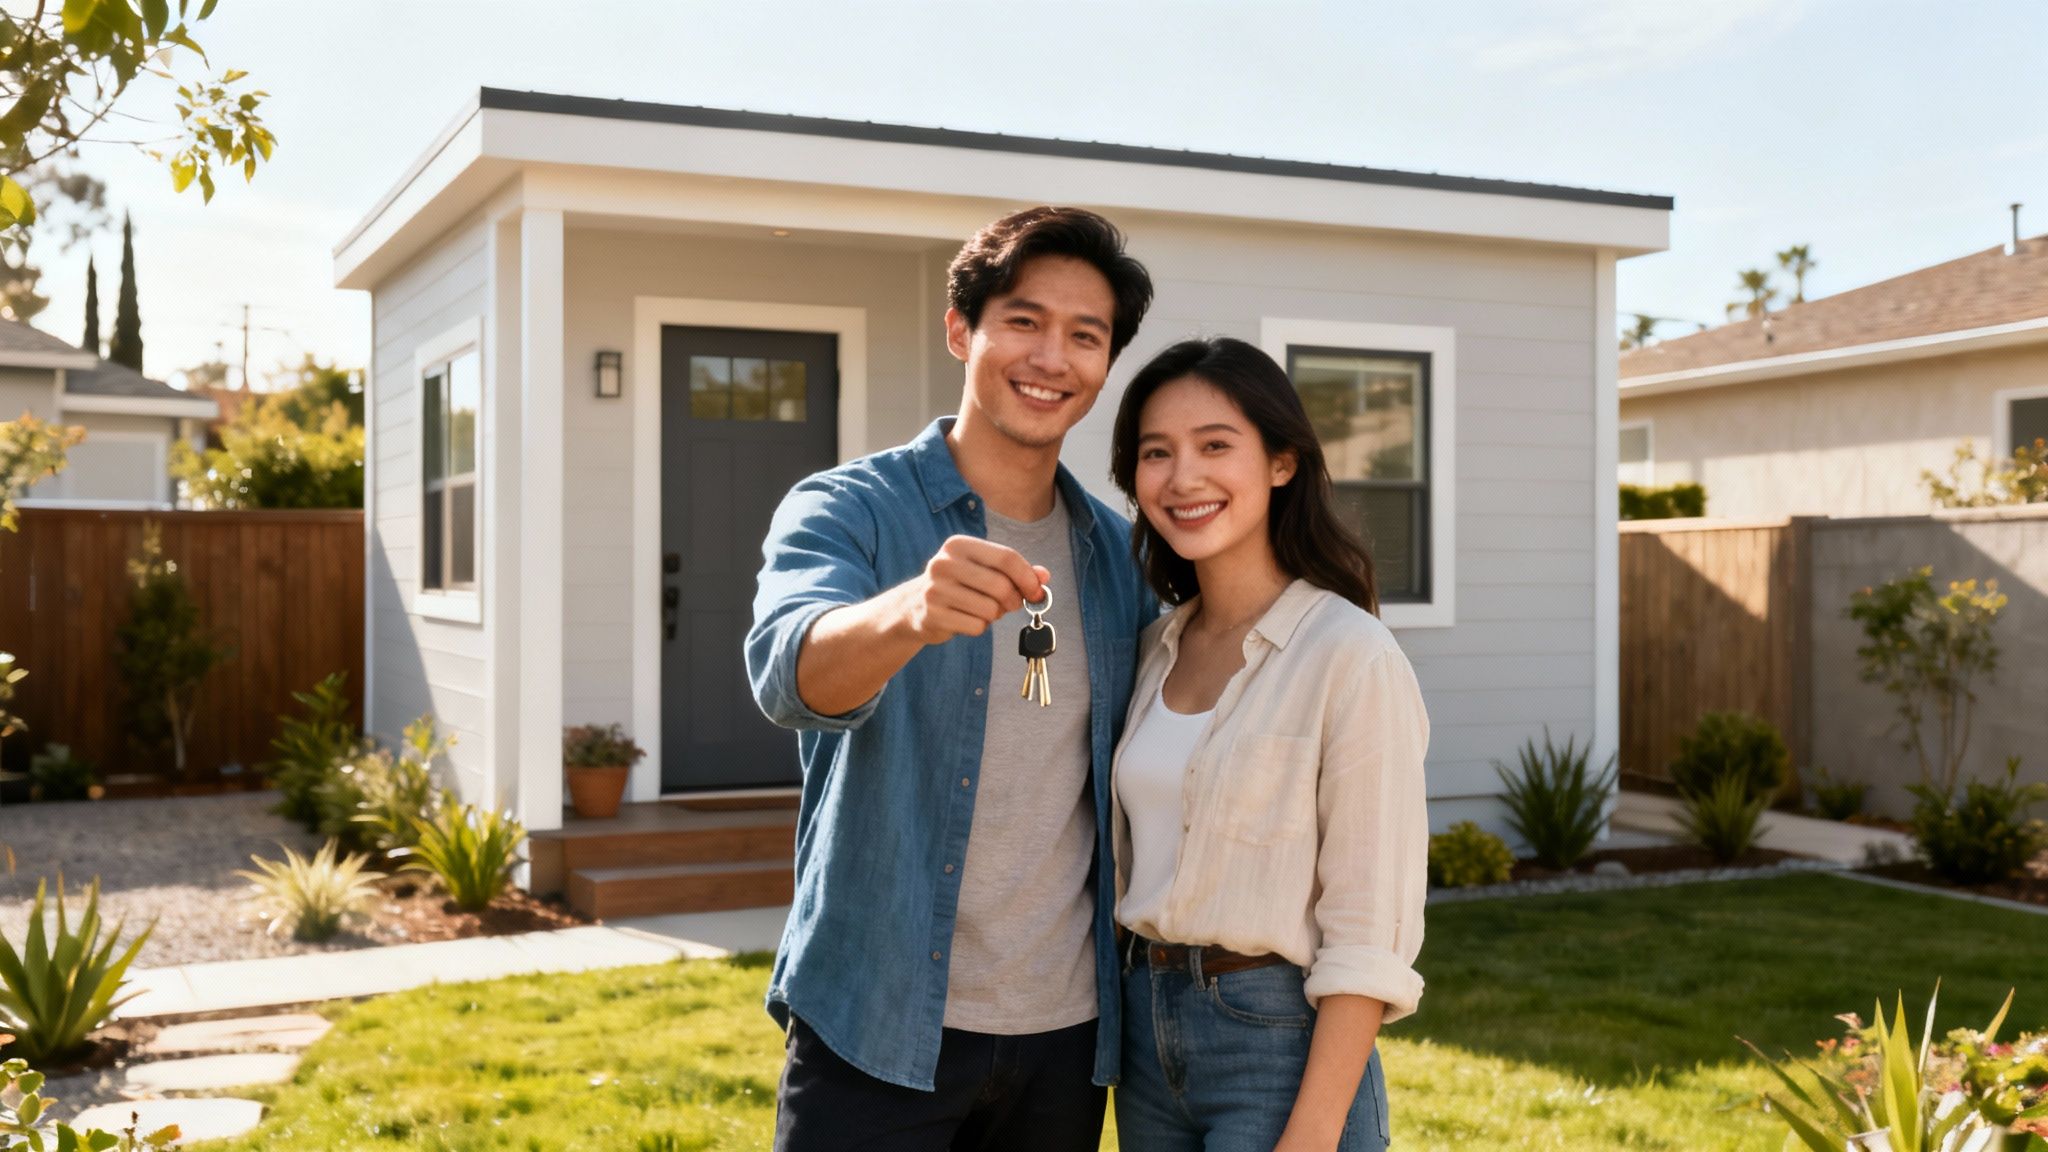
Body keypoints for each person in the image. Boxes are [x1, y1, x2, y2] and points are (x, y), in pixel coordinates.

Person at [746, 206, 1156, 1151]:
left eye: (1084, 336)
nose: (1052, 356)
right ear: (962, 330)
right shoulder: (850, 507)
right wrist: (910, 613)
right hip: (876, 1024)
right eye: (1023, 320)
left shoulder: (1117, 559)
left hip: (1065, 1038)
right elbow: (785, 671)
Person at [1105, 336, 1430, 1152]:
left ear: (1282, 463)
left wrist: (1313, 1133)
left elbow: (1369, 926)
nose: (1184, 478)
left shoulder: (1349, 655)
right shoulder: (1153, 650)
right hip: (1144, 1035)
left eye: (1216, 446)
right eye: (1157, 453)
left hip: (1277, 1040)